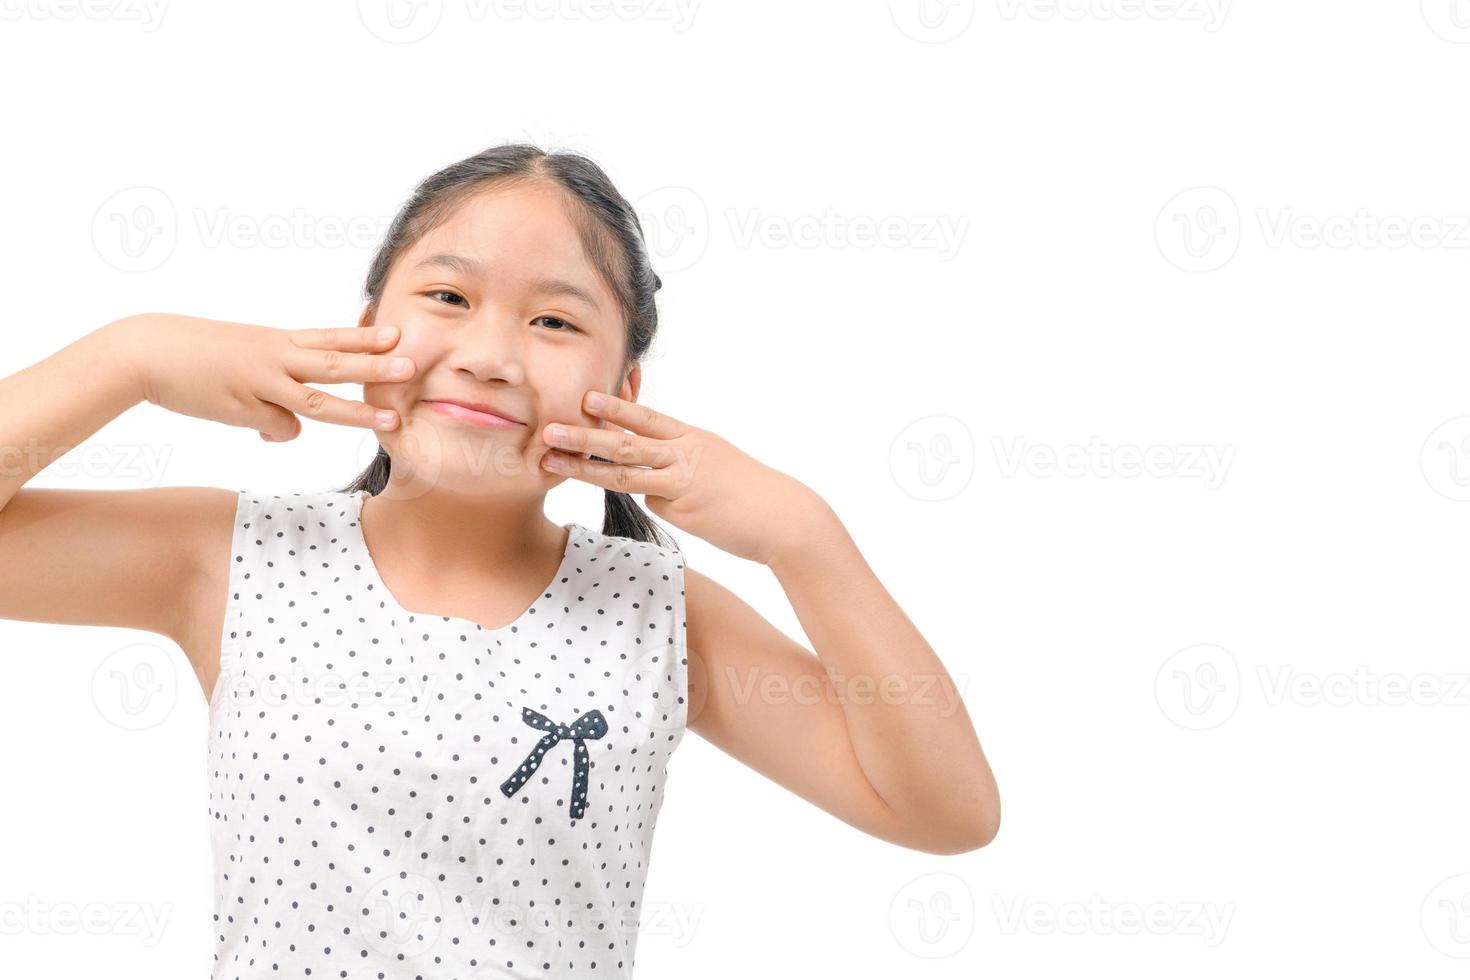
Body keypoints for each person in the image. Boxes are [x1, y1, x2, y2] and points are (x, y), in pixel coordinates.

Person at [0, 142, 999, 979]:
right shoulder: (230, 558)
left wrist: (803, 534)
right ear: (364, 332)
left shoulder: (658, 613)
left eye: (554, 320)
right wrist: (128, 356)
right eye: (448, 294)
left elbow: (947, 810)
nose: (488, 353)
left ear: (625, 385)